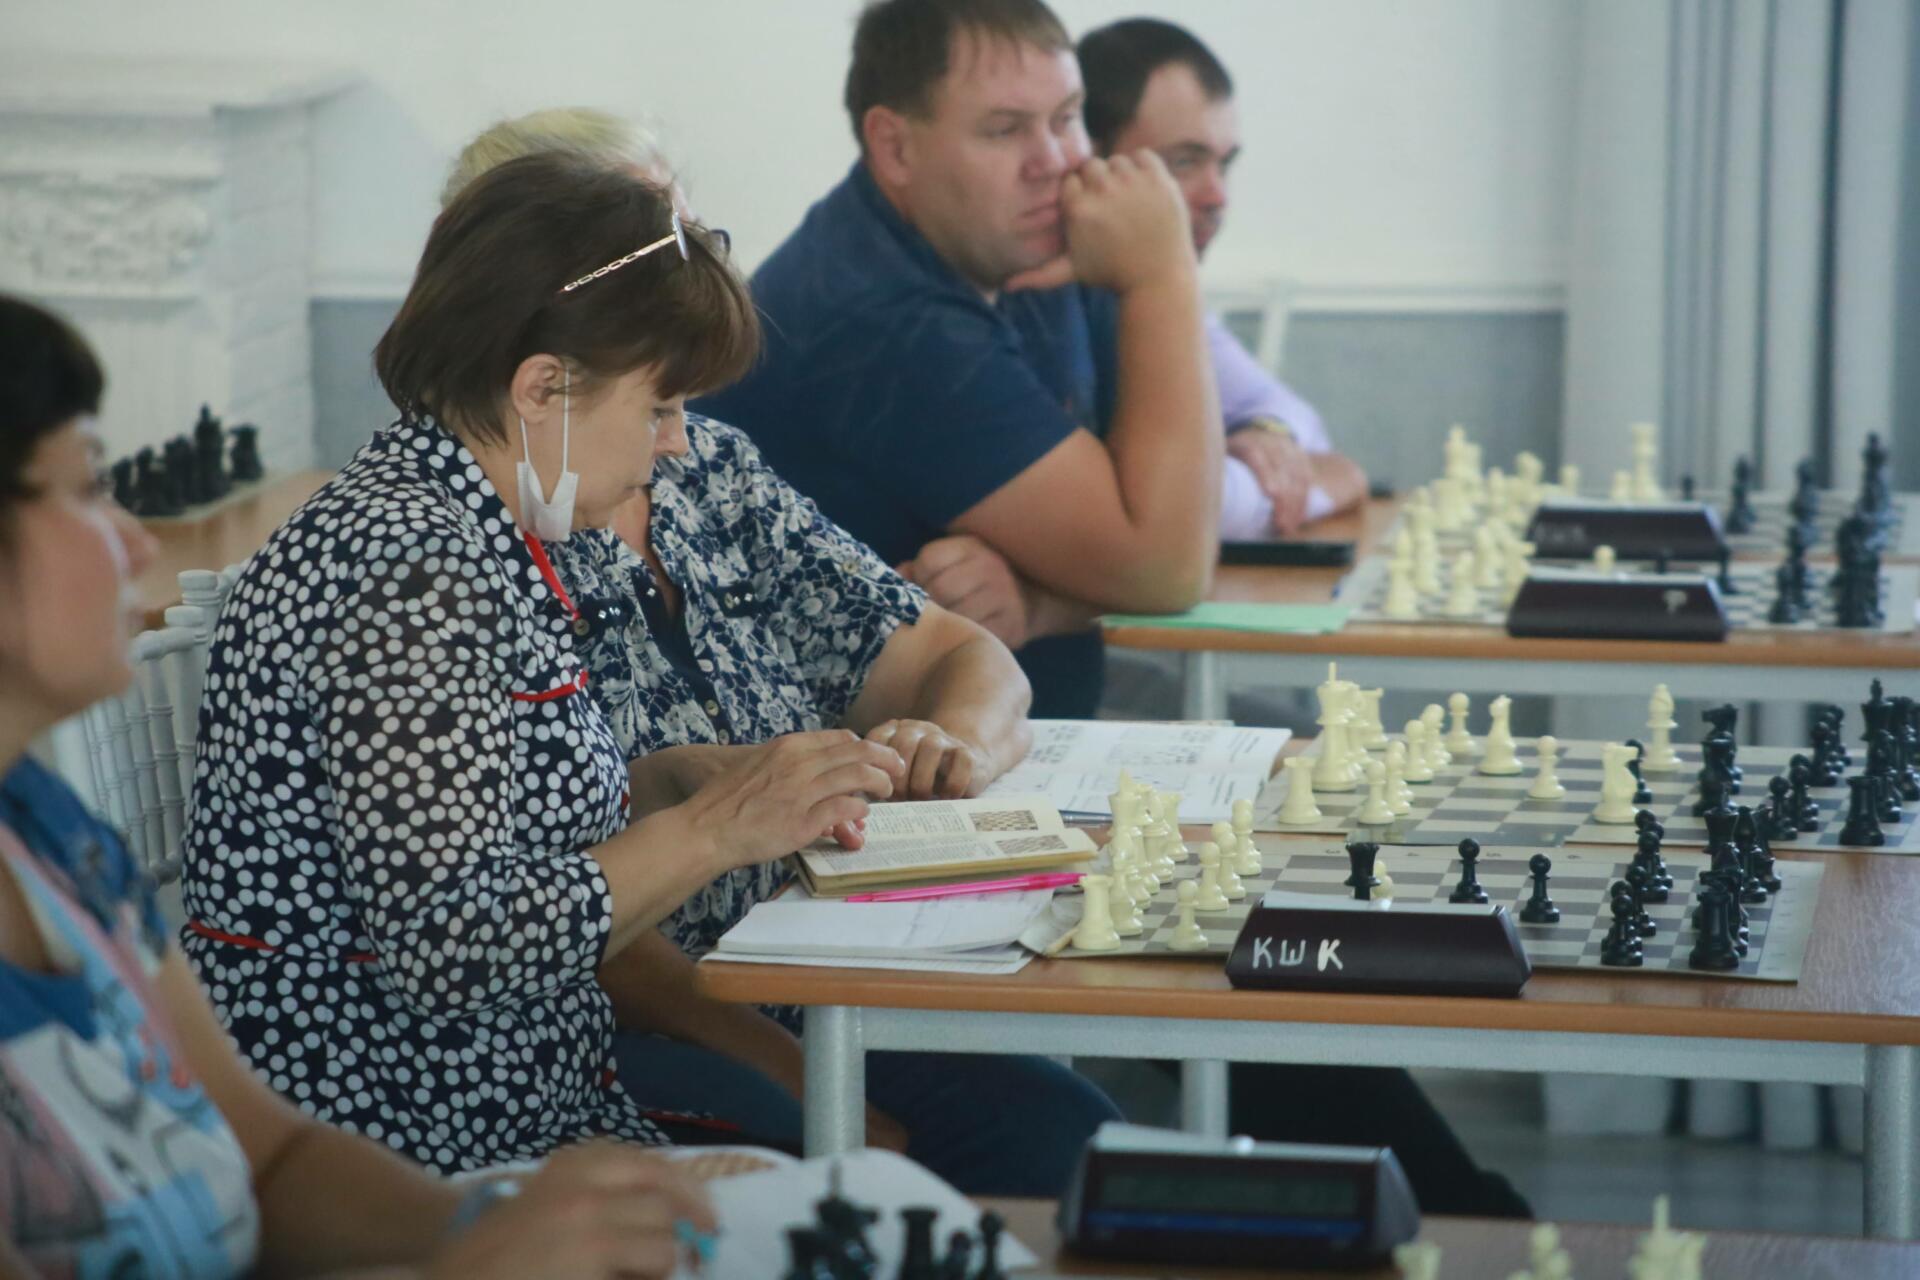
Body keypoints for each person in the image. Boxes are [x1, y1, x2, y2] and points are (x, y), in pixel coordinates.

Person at [177, 153, 906, 1177]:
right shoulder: (411, 567)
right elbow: (450, 944)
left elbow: (484, 818)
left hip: (520, 1102)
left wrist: (672, 782)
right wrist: (714, 830)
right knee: (868, 1190)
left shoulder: (470, 528)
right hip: (404, 1138)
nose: (677, 444)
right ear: (543, 387)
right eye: (657, 408)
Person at [436, 109, 1118, 1198]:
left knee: (1073, 1134)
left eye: (692, 236)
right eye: (658, 249)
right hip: (651, 1022)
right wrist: (807, 1080)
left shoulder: (706, 467)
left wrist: (953, 746)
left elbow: (962, 652)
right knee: (953, 1160)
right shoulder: (484, 527)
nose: (698, 277)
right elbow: (533, 917)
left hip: (827, 971)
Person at [0, 293, 718, 1279]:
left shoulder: (54, 836)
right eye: (89, 491)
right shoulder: (410, 553)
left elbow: (276, 1156)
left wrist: (478, 1227)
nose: (137, 543)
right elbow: (452, 938)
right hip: (431, 1107)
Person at [697, 0, 1224, 719]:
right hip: (871, 766)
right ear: (895, 148)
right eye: (1005, 130)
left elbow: (1173, 498)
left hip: (1016, 733)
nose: (1055, 162)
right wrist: (1163, 276)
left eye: (1067, 118)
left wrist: (1039, 601)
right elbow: (1165, 568)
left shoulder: (1023, 240)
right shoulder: (878, 314)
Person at [1078, 16, 1368, 538]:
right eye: (1184, 162)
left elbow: (1295, 419)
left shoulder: (1155, 295)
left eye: (1224, 164)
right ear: (1088, 158)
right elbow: (1169, 517)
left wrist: (1267, 434)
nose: (1218, 197)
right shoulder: (1030, 302)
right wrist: (1317, 481)